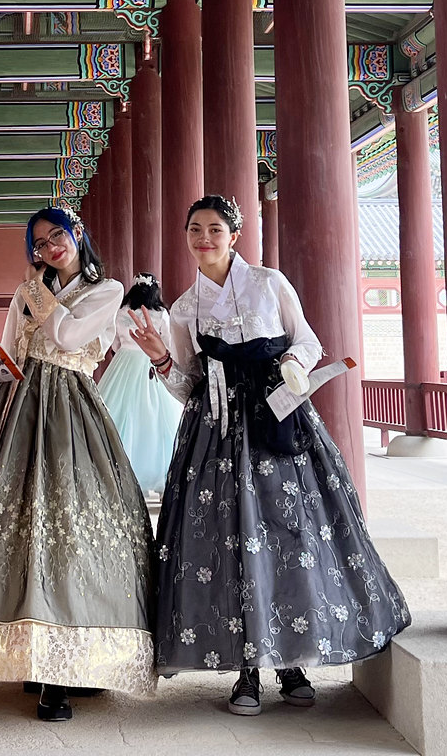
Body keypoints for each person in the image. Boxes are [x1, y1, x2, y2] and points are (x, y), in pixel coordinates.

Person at [130, 195, 411, 716]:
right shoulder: (185, 308)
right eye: (195, 229)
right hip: (214, 435)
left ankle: (291, 661)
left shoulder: (268, 283)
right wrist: (162, 358)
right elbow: (188, 384)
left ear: (234, 235)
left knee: (290, 533)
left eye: (215, 229)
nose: (204, 238)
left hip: (276, 423)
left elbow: (309, 341)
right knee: (230, 540)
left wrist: (290, 366)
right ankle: (246, 670)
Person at [0, 207, 155, 721]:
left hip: (73, 415)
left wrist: (37, 292)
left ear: (77, 234)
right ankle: (32, 657)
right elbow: (16, 352)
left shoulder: (107, 290)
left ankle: (69, 667)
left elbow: (68, 339)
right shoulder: (26, 294)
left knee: (74, 530)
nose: (49, 248)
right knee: (19, 531)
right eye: (39, 243)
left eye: (56, 237)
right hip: (20, 411)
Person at [96, 274, 182, 494]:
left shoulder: (121, 313)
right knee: (157, 420)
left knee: (121, 415)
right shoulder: (161, 314)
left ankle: (122, 475)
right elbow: (168, 343)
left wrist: (126, 349)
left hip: (124, 364)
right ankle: (161, 478)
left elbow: (114, 345)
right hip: (152, 363)